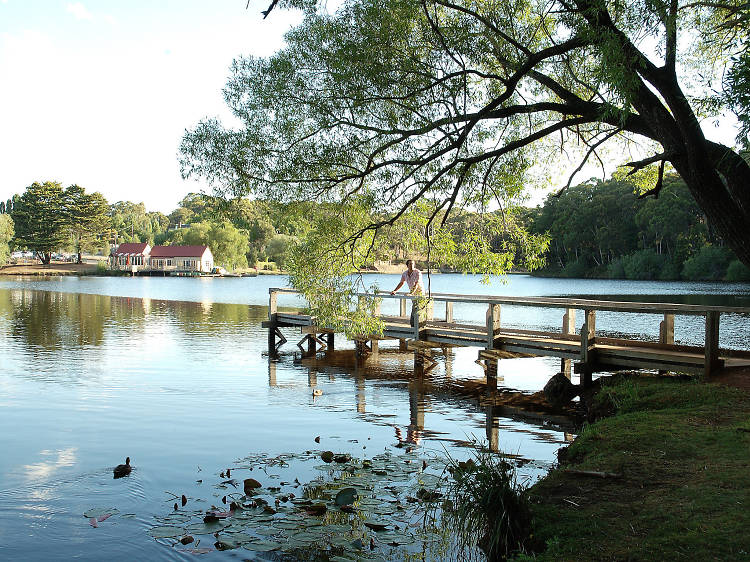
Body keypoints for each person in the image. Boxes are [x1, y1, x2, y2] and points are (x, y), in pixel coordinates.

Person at [390, 259, 425, 326]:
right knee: (415, 309)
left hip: (420, 293)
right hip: (412, 294)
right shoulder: (405, 274)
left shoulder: (418, 272)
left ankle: (415, 325)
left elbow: (416, 284)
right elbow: (401, 282)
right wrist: (395, 290)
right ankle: (415, 326)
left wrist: (411, 293)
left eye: (413, 264)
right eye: (410, 264)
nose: (412, 265)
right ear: (407, 265)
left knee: (416, 309)